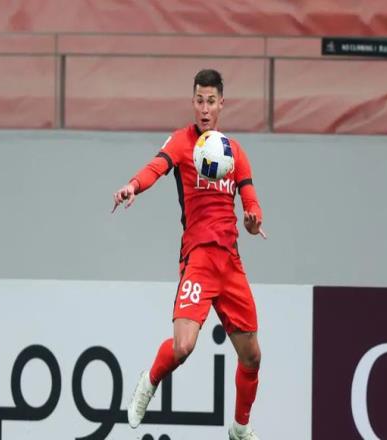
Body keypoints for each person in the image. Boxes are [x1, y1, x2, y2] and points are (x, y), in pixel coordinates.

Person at [112, 69, 266, 440]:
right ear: (193, 102)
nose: (205, 108)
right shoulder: (182, 142)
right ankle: (149, 382)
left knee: (252, 356)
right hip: (198, 258)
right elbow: (156, 167)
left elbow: (251, 202)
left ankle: (240, 428)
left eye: (211, 101)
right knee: (183, 347)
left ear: (222, 104)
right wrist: (133, 186)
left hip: (230, 263)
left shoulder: (234, 152)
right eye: (199, 101)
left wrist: (253, 220)